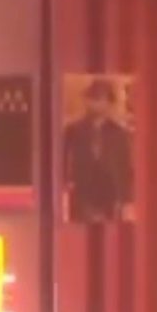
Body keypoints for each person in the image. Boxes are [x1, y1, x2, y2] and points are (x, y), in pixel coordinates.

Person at [62, 78, 133, 224]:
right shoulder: (73, 130)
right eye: (92, 98)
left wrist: (126, 199)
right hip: (82, 192)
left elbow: (125, 166)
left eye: (100, 99)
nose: (95, 104)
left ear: (109, 103)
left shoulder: (119, 133)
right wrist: (65, 184)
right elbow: (63, 160)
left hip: (111, 193)